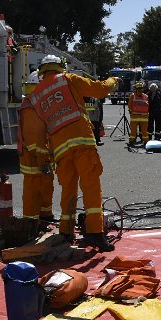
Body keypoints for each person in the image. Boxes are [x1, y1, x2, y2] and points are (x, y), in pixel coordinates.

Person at [28, 55, 118, 252]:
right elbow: (100, 90)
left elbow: (38, 133)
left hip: (60, 150)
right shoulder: (68, 79)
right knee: (91, 186)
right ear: (60, 67)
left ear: (42, 72)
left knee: (68, 190)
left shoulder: (36, 95)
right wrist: (113, 81)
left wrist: (43, 159)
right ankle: (94, 232)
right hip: (82, 142)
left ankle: (66, 231)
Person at [17, 70, 54, 226]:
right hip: (34, 159)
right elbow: (34, 140)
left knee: (46, 187)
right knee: (33, 191)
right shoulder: (31, 107)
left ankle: (45, 216)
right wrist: (43, 160)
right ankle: (31, 223)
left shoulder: (38, 103)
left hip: (42, 157)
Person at [127, 82, 149, 147]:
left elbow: (129, 106)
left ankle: (131, 141)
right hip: (143, 116)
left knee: (134, 131)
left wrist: (132, 111)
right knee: (144, 131)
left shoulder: (133, 96)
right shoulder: (145, 96)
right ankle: (145, 142)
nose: (140, 90)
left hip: (135, 116)